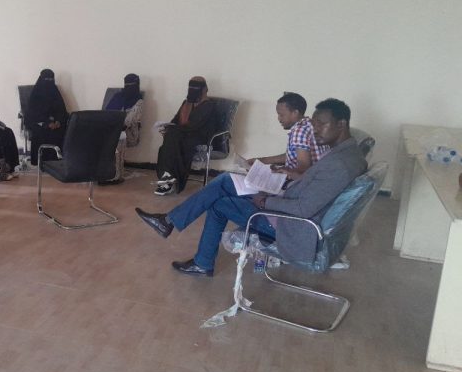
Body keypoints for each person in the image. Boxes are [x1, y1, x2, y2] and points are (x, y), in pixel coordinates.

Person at [136, 98, 366, 277]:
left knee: (220, 203)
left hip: (293, 227)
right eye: (315, 124)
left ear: (342, 124)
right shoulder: (350, 154)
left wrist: (266, 201)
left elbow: (304, 208)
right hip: (292, 208)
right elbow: (312, 188)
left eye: (322, 124)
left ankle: (197, 256)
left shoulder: (339, 165)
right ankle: (175, 229)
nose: (315, 130)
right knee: (226, 184)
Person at [154, 76, 218, 195]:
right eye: (190, 87)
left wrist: (172, 129)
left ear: (204, 89)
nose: (192, 90)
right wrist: (166, 127)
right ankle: (167, 177)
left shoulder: (208, 105)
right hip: (183, 135)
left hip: (201, 137)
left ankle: (168, 179)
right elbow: (175, 120)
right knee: (168, 143)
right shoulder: (186, 103)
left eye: (196, 88)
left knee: (172, 141)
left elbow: (194, 125)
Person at [247, 92, 329, 180]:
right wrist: (261, 161)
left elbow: (303, 168)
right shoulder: (308, 124)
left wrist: (280, 171)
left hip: (302, 183)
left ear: (295, 113)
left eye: (281, 115)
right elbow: (294, 155)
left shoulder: (299, 131)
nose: (279, 119)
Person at [101, 73, 144, 184]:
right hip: (111, 128)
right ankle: (100, 171)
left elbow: (129, 121)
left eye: (131, 85)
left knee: (118, 138)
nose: (128, 88)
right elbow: (106, 113)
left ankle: (115, 176)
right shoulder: (118, 96)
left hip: (129, 132)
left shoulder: (139, 101)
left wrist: (116, 127)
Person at [24, 68, 69, 166]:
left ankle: (57, 159)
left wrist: (58, 121)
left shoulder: (55, 92)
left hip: (55, 124)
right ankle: (40, 160)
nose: (49, 83)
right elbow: (32, 115)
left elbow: (61, 111)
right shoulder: (35, 95)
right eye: (46, 80)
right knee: (42, 131)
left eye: (51, 80)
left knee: (62, 129)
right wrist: (47, 123)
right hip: (39, 123)